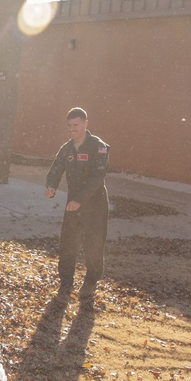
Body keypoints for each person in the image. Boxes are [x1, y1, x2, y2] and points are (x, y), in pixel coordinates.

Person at [44, 107, 110, 301]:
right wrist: (51, 186)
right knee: (68, 243)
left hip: (94, 203)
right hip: (73, 204)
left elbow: (97, 178)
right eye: (69, 126)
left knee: (93, 244)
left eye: (76, 125)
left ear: (85, 124)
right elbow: (56, 169)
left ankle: (90, 281)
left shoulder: (98, 147)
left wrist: (79, 200)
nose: (72, 129)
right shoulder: (67, 148)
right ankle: (66, 282)